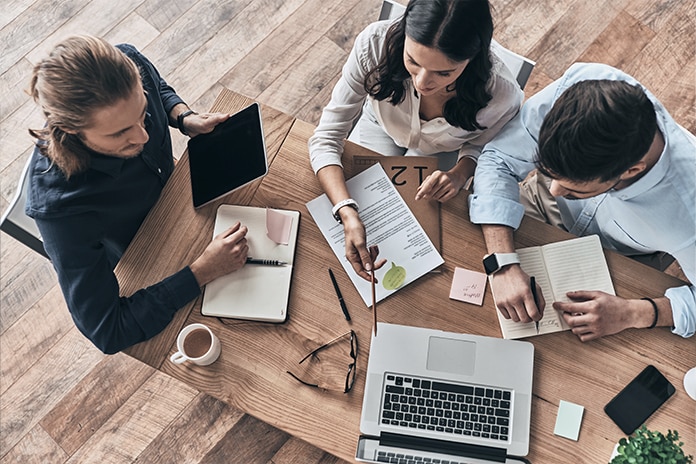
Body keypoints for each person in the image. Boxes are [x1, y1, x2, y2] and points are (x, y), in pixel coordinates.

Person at [26, 35, 249, 354]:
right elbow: (107, 331)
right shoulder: (61, 209)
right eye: (119, 133)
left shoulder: (129, 62)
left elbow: (157, 88)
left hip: (182, 200)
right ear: (72, 128)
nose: (143, 136)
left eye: (142, 113)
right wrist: (202, 272)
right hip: (150, 256)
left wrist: (183, 118)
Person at [469, 62, 696, 341]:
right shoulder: (582, 87)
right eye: (551, 175)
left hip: (619, 258)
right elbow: (499, 158)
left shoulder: (688, 218)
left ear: (631, 171)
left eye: (573, 188)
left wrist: (634, 313)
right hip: (535, 211)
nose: (554, 190)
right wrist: (501, 262)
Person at [309, 0, 523, 281]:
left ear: (472, 59)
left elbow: (484, 145)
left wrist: (460, 174)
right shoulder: (373, 45)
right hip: (379, 126)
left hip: (447, 153)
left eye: (444, 73)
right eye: (413, 61)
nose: (422, 82)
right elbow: (326, 136)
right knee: (376, 215)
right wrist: (345, 211)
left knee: (423, 231)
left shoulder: (502, 94)